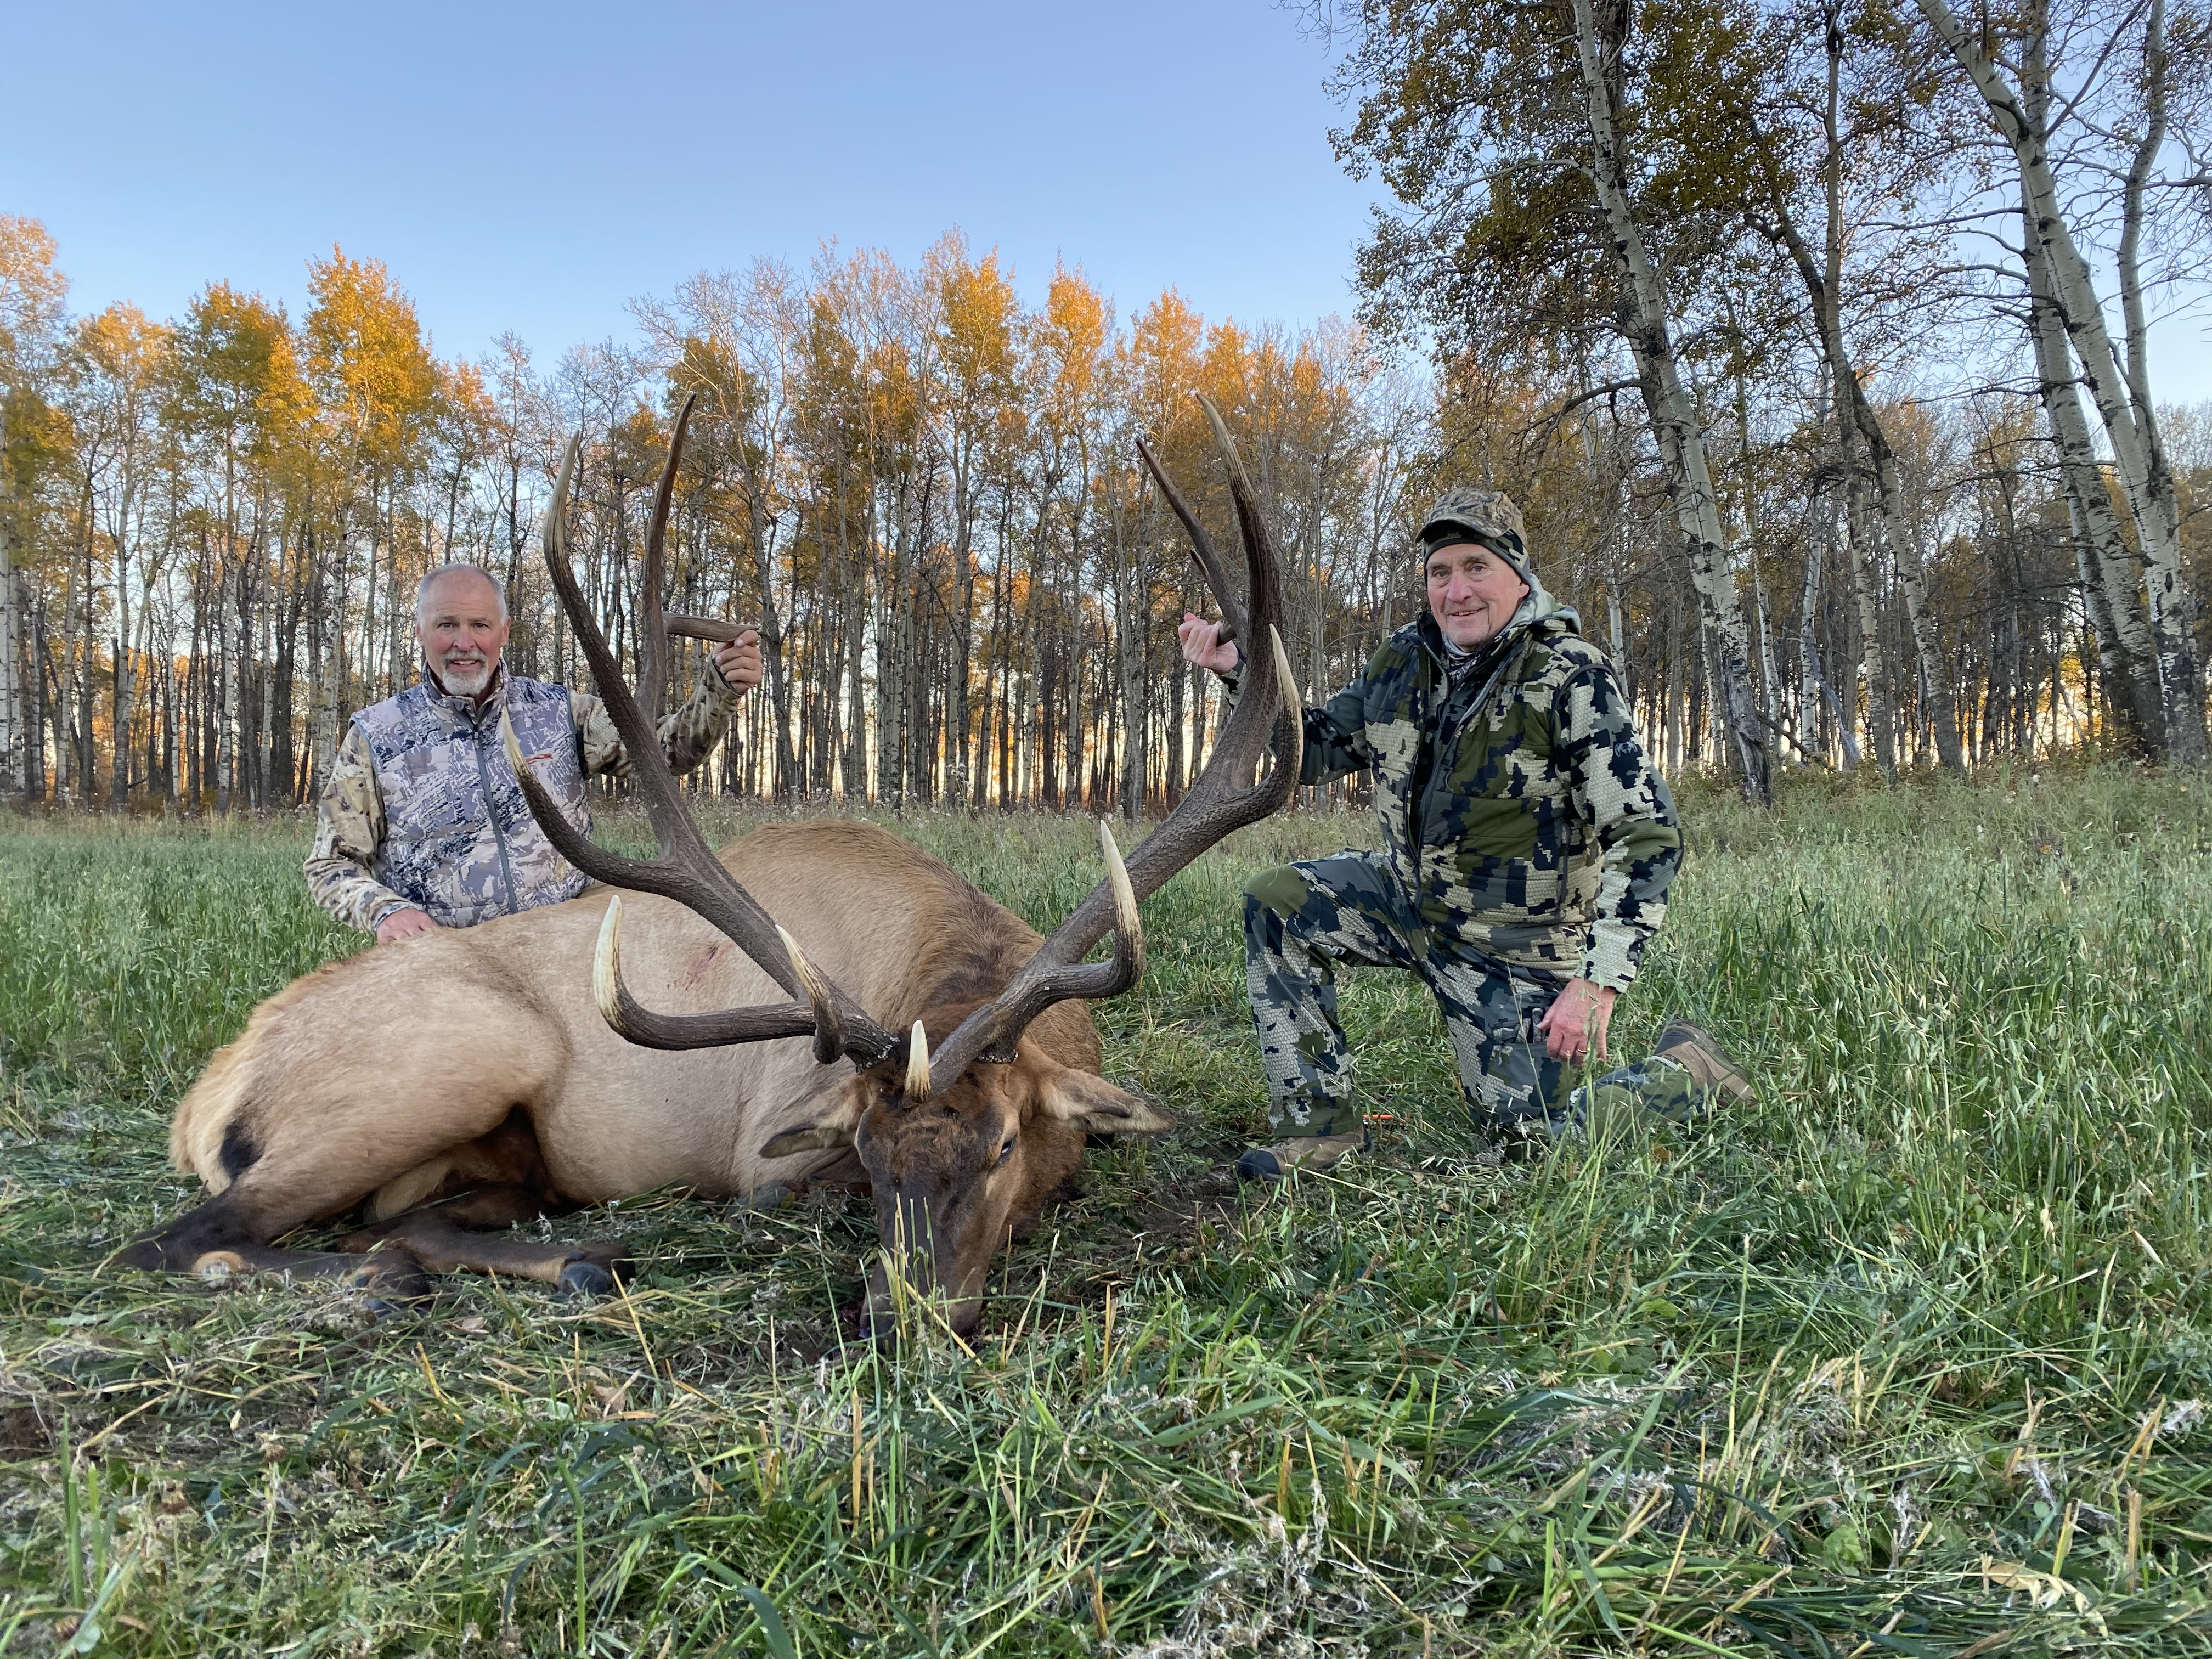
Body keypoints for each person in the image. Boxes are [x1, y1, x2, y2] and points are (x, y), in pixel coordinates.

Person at [1178, 488, 1752, 1180]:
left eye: (1476, 567)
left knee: (1537, 1145)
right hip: (1407, 899)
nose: (1457, 591)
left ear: (1518, 575)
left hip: (1512, 945)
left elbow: (1648, 834)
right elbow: (1320, 751)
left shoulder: (1568, 677)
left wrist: (1596, 985)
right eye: (1440, 572)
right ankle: (1317, 1129)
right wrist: (1239, 673)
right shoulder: (1404, 660)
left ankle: (1688, 1070)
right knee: (1278, 899)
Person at [306, 562, 763, 942]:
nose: (464, 643)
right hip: (447, 965)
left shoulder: (559, 712)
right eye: (447, 625)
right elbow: (331, 864)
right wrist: (385, 911)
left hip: (565, 952)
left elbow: (666, 754)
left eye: (479, 625)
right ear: (421, 630)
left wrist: (718, 687)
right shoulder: (377, 736)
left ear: (503, 631)